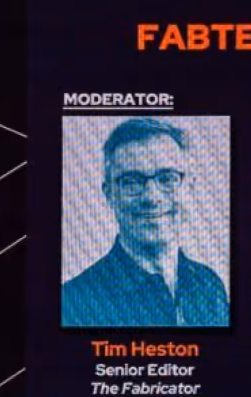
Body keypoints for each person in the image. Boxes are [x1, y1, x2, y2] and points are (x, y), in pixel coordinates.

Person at [62, 116, 229, 328]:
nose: (151, 197)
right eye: (131, 182)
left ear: (189, 187)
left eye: (167, 178)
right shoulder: (73, 302)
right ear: (109, 194)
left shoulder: (209, 284)